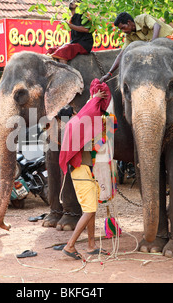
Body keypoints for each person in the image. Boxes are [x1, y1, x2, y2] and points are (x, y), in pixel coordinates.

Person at [59, 79, 113, 260]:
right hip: (81, 171)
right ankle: (70, 245)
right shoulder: (76, 125)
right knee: (89, 210)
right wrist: (94, 100)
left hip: (85, 171)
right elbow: (87, 114)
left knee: (92, 209)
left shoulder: (76, 126)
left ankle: (91, 245)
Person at [100, 12, 173, 94]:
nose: (124, 31)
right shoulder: (130, 36)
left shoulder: (143, 18)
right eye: (121, 30)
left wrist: (152, 44)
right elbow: (122, 54)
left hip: (171, 39)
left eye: (123, 27)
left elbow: (157, 26)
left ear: (130, 22)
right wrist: (109, 73)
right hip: (159, 49)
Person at [46, 0, 93, 64]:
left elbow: (86, 29)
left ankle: (64, 72)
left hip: (84, 45)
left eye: (74, 1)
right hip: (74, 43)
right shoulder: (72, 18)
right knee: (51, 50)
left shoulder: (84, 16)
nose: (71, 2)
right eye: (71, 1)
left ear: (79, 6)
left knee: (63, 50)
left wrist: (70, 25)